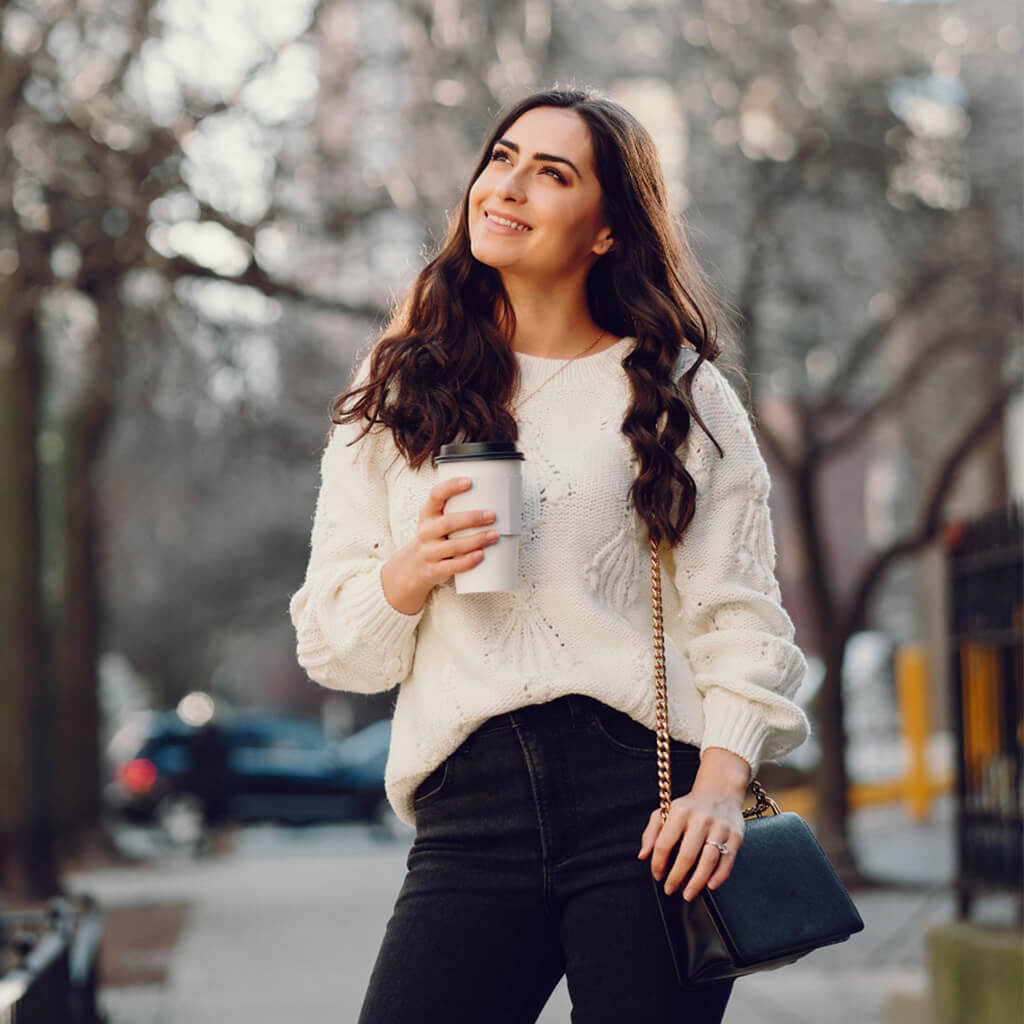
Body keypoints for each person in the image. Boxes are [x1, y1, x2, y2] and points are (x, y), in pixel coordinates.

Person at [289, 86, 810, 1023]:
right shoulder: (397, 384)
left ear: (607, 230)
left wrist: (724, 787)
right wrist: (413, 571)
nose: (509, 186)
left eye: (551, 173)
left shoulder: (676, 393)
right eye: (502, 158)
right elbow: (336, 651)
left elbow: (741, 619)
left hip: (645, 805)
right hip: (468, 806)